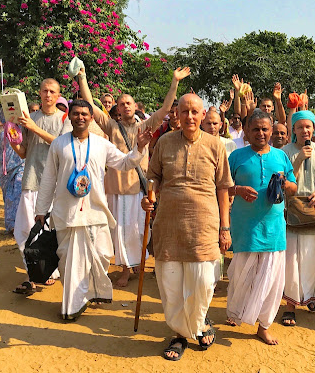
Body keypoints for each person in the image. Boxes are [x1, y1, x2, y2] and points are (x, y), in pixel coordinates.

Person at [34, 99, 151, 320]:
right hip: (67, 213)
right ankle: (71, 307)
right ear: (69, 116)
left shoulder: (101, 144)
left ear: (91, 118)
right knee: (69, 263)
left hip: (96, 211)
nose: (80, 117)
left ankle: (91, 291)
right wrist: (41, 209)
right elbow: (49, 178)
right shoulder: (59, 144)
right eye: (76, 114)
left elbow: (126, 163)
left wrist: (140, 147)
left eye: (84, 114)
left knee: (103, 254)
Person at [79, 66, 191, 287]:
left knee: (138, 230)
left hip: (139, 188)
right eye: (121, 104)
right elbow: (90, 104)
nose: (125, 106)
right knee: (119, 231)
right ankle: (125, 268)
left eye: (128, 103)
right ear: (117, 109)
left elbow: (166, 108)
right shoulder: (111, 126)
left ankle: (138, 263)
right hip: (115, 188)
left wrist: (175, 81)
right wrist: (82, 77)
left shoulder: (145, 125)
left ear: (135, 106)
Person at [141, 93, 233, 361]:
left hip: (204, 226)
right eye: (184, 112)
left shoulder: (216, 146)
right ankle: (181, 334)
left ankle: (199, 322)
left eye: (195, 112)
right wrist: (150, 198)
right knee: (171, 284)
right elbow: (153, 176)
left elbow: (224, 188)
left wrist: (225, 228)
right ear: (176, 115)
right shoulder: (164, 142)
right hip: (168, 225)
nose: (190, 117)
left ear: (203, 115)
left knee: (204, 281)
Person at [226, 110, 298, 345]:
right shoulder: (236, 157)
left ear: (271, 131)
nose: (261, 133)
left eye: (265, 129)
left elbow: (295, 187)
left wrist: (285, 184)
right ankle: (237, 312)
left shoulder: (281, 156)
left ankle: (264, 325)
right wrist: (238, 190)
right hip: (244, 226)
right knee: (240, 273)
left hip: (273, 227)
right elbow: (222, 187)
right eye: (255, 129)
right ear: (246, 132)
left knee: (271, 278)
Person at [10, 78, 73, 294]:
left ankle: (51, 271)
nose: (48, 95)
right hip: (31, 179)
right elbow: (25, 152)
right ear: (40, 92)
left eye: (52, 91)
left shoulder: (65, 119)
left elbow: (61, 145)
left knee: (51, 230)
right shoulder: (30, 117)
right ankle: (33, 272)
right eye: (45, 91)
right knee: (24, 230)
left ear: (58, 95)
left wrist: (34, 128)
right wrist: (15, 143)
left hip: (54, 183)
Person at [281, 111, 315, 326]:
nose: (305, 130)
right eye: (300, 127)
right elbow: (283, 180)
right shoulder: (284, 152)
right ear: (293, 130)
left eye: (308, 127)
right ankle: (290, 306)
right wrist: (299, 159)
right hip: (293, 211)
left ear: (314, 129)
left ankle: (312, 296)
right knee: (292, 260)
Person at [0, 111, 25, 235]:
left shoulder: (23, 125)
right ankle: (11, 226)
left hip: (21, 164)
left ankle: (17, 226)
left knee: (18, 194)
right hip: (5, 168)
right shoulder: (0, 127)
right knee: (8, 197)